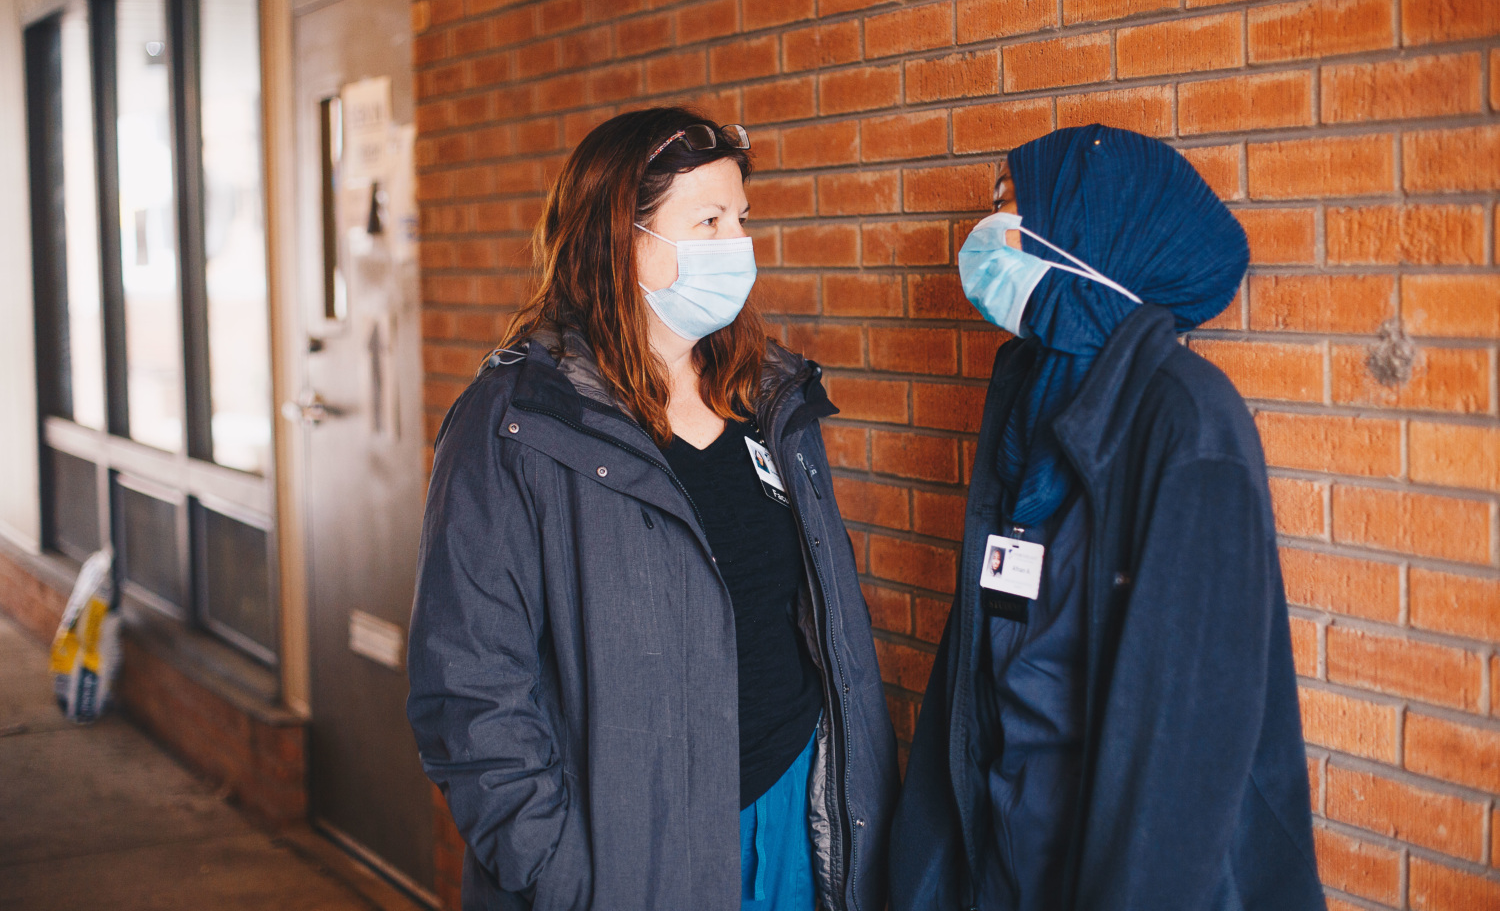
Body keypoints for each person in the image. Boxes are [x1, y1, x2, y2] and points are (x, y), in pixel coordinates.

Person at [407, 107, 897, 911]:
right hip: (632, 853)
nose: (736, 243)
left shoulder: (768, 398)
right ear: (620, 240)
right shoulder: (517, 425)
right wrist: (557, 872)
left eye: (739, 218)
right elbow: (468, 686)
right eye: (706, 221)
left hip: (793, 810)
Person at [889, 125, 1324, 911]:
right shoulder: (1029, 387)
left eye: (1011, 210)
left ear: (1091, 237)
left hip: (1106, 870)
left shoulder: (1190, 425)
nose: (985, 237)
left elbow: (1187, 758)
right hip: (1005, 843)